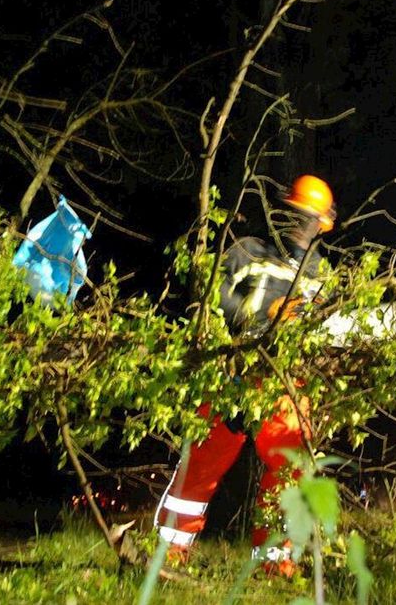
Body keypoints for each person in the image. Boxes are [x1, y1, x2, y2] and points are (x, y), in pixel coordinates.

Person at [154, 175, 335, 575]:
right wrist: (255, 319)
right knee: (201, 463)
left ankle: (276, 561)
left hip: (287, 384)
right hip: (232, 374)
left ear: (321, 225)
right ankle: (169, 551)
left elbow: (329, 330)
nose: (298, 225)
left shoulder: (323, 276)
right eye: (294, 215)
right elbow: (212, 294)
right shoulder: (249, 252)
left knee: (289, 470)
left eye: (306, 218)